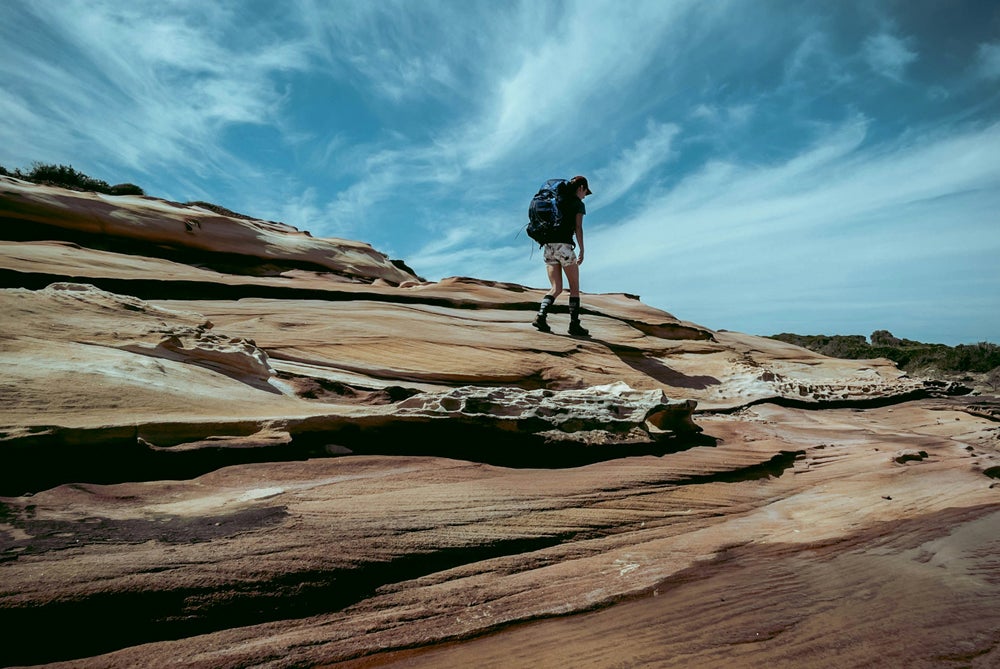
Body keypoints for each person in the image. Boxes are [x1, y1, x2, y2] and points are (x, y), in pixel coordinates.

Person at [532, 175, 592, 336]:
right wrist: (582, 249)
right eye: (585, 192)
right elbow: (578, 228)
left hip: (548, 248)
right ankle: (574, 325)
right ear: (581, 188)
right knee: (574, 288)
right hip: (564, 247)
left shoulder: (556, 200)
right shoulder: (577, 204)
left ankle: (541, 317)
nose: (585, 195)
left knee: (556, 288)